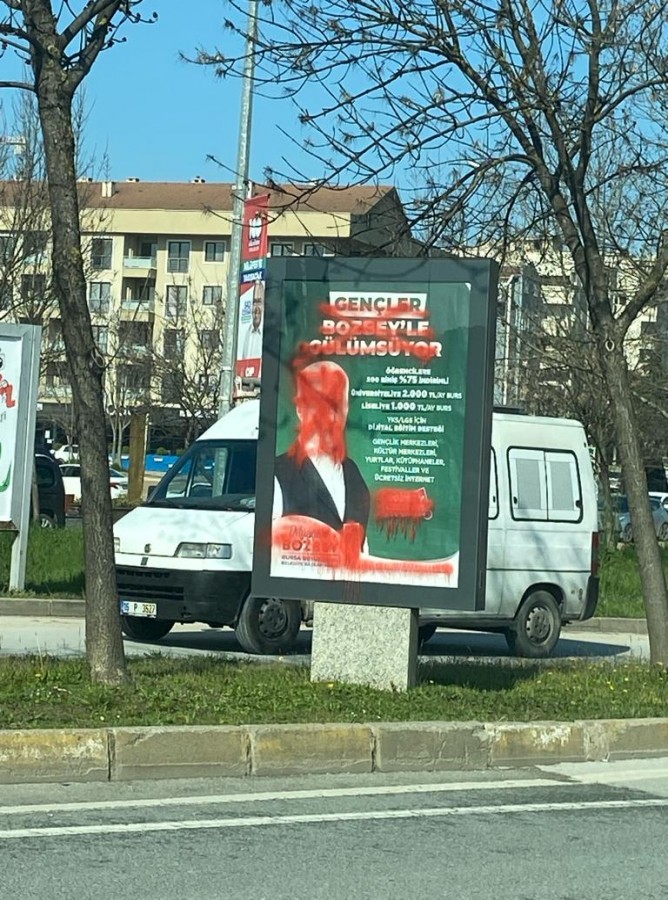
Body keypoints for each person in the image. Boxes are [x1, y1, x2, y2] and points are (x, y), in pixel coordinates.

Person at [273, 361, 370, 546]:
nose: (331, 417)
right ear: (300, 409)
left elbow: (363, 550)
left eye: (337, 405)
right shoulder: (278, 476)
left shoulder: (354, 476)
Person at [240, 279, 264, 361]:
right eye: (254, 302)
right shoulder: (246, 333)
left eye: (259, 302)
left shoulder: (268, 334)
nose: (256, 308)